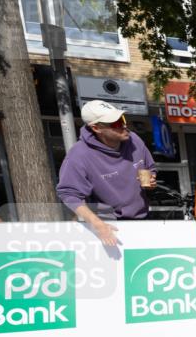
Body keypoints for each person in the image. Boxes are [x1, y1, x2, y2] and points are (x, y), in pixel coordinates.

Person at [56, 100, 156, 246]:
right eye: (115, 124)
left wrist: (150, 182)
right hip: (106, 226)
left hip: (142, 220)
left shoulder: (134, 140)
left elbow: (149, 168)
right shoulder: (79, 155)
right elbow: (69, 194)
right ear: (96, 128)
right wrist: (97, 224)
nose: (124, 126)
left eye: (122, 119)